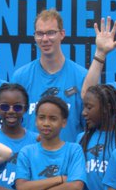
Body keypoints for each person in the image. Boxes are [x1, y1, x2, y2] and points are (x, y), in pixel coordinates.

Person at [10, 9, 88, 142]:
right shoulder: (20, 77)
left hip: (69, 154)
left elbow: (89, 128)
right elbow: (12, 125)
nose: (45, 39)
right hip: (29, 154)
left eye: (51, 33)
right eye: (40, 34)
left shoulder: (81, 77)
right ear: (34, 36)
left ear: (62, 34)